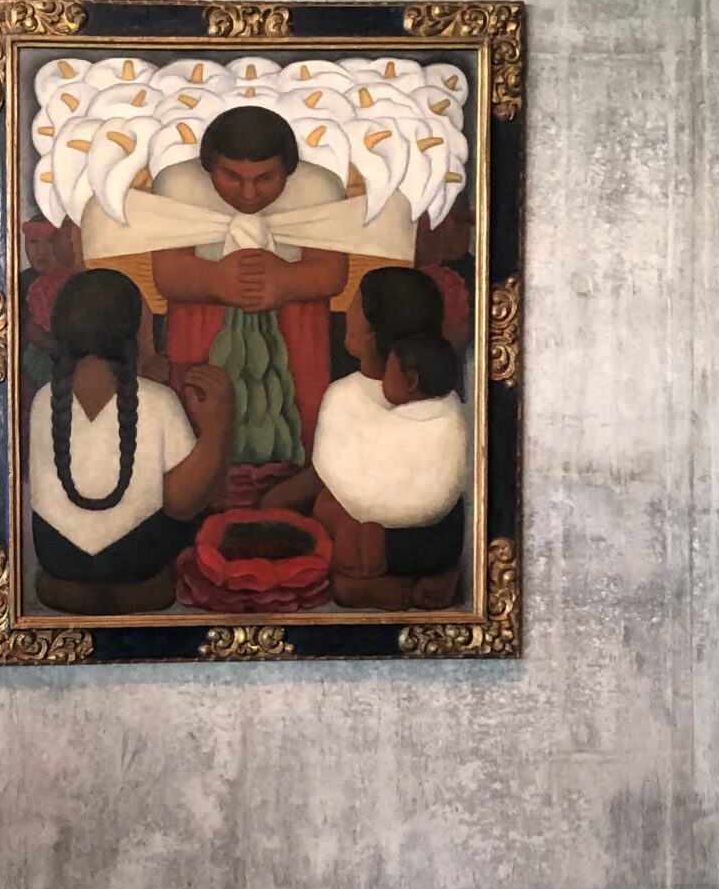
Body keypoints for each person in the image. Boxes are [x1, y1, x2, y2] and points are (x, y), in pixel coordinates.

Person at [148, 105, 349, 466]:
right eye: (232, 176)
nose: (249, 193)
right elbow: (167, 273)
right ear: (209, 165)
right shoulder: (177, 185)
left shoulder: (320, 187)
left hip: (296, 331)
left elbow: (333, 272)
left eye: (265, 178)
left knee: (302, 426)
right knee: (196, 425)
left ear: (288, 168)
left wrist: (289, 280)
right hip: (200, 329)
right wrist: (213, 279)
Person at [27, 268, 234, 615]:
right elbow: (183, 504)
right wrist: (218, 427)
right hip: (140, 562)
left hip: (58, 558)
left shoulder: (44, 400)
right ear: (136, 335)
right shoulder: (157, 400)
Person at [261, 266, 468, 611]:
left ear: (373, 333)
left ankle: (362, 584)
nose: (347, 314)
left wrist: (271, 503)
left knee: (327, 512)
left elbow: (327, 477)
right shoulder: (443, 398)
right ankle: (427, 579)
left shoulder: (346, 395)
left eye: (355, 306)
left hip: (377, 541)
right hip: (433, 541)